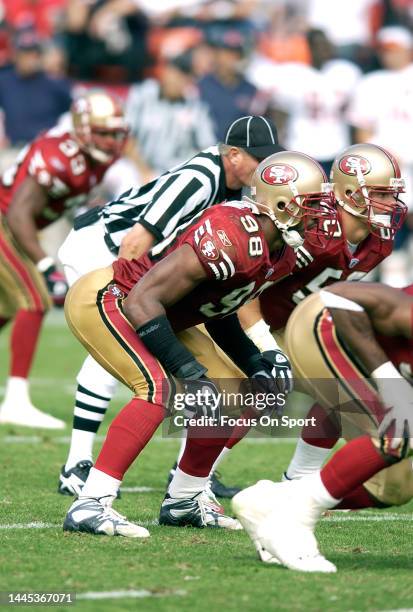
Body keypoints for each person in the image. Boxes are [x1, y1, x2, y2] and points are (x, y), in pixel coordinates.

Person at [61, 150, 337, 537]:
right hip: (113, 297)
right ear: (279, 204)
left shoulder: (281, 251)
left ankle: (183, 501)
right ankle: (90, 503)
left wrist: (254, 361)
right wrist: (188, 371)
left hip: (165, 313)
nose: (319, 216)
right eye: (311, 205)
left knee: (234, 393)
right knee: (158, 388)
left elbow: (218, 308)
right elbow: (143, 300)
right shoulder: (231, 233)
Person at [57, 115, 285, 496]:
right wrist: (136, 296)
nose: (264, 167)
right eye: (257, 158)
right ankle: (76, 464)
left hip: (139, 266)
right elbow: (136, 241)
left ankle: (189, 477)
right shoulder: (199, 179)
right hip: (103, 247)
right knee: (120, 344)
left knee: (210, 372)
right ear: (232, 155)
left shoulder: (236, 194)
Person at [202, 143, 407, 483]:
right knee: (265, 385)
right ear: (350, 192)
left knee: (342, 387)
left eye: (392, 195)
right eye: (382, 194)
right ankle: (195, 478)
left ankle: (298, 480)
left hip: (298, 323)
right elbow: (251, 280)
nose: (391, 204)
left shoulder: (380, 239)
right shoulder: (313, 229)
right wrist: (263, 343)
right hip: (245, 315)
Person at [232, 280, 413, 572]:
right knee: (399, 432)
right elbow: (339, 297)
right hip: (324, 324)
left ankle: (271, 501)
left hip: (353, 350)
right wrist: (387, 379)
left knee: (393, 487)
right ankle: (292, 522)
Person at [0, 89, 128, 428]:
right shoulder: (60, 156)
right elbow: (17, 214)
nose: (112, 141)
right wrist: (45, 265)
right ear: (83, 130)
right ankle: (15, 399)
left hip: (14, 223)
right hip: (6, 221)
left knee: (5, 309)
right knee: (34, 300)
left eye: (116, 133)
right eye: (103, 133)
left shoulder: (94, 158)